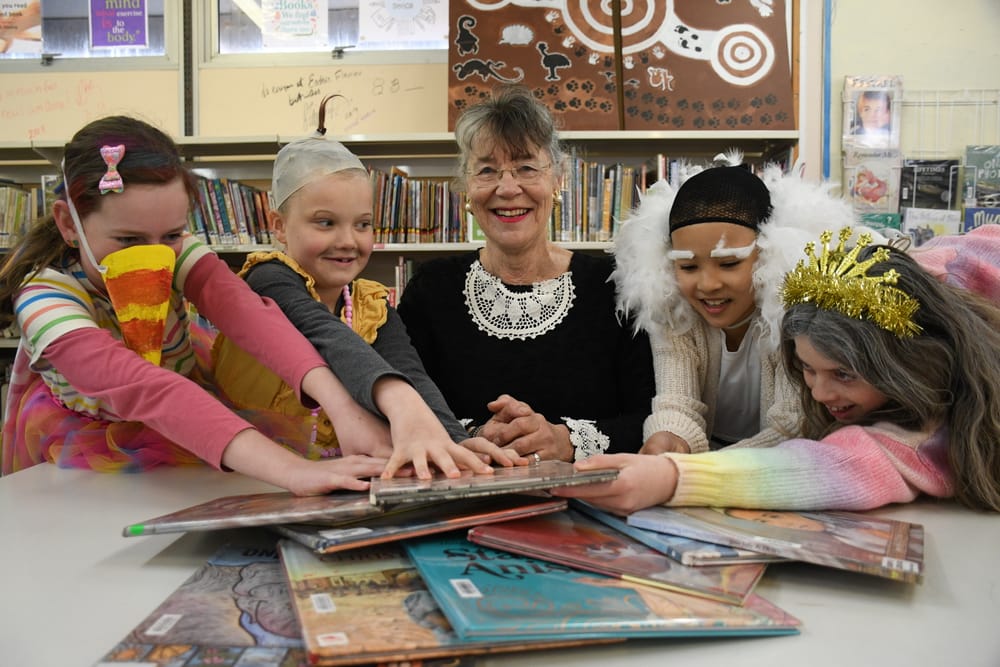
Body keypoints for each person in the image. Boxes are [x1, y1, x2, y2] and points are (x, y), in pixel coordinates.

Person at [0, 115, 476, 494]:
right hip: (95, 443)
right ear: (68, 224)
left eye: (170, 234)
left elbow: (253, 318)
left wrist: (343, 407)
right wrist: (292, 471)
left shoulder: (179, 253)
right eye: (127, 239)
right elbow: (149, 389)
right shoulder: (45, 299)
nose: (154, 253)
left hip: (190, 417)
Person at [555, 228, 1000, 513]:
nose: (821, 394)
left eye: (843, 374)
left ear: (906, 363)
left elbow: (840, 468)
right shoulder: (887, 285)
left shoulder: (934, 424)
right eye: (806, 369)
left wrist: (672, 478)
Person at [212, 103, 515, 477]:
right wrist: (400, 401)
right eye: (325, 223)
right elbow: (327, 335)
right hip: (243, 474)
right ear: (278, 224)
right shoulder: (267, 278)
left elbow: (410, 372)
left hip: (332, 474)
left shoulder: (370, 302)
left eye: (363, 225)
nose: (347, 241)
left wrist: (450, 438)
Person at [396, 84, 654, 463]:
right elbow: (403, 408)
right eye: (487, 170)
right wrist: (474, 435)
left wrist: (567, 441)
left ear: (558, 178)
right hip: (463, 504)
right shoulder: (430, 291)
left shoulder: (617, 286)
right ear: (467, 186)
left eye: (526, 167)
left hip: (593, 507)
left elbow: (652, 418)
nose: (508, 187)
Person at [612, 160, 860, 454]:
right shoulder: (673, 310)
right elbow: (676, 402)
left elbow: (793, 426)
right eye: (688, 266)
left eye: (729, 263)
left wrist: (705, 469)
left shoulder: (793, 316)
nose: (708, 284)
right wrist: (667, 438)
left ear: (769, 254)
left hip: (773, 468)